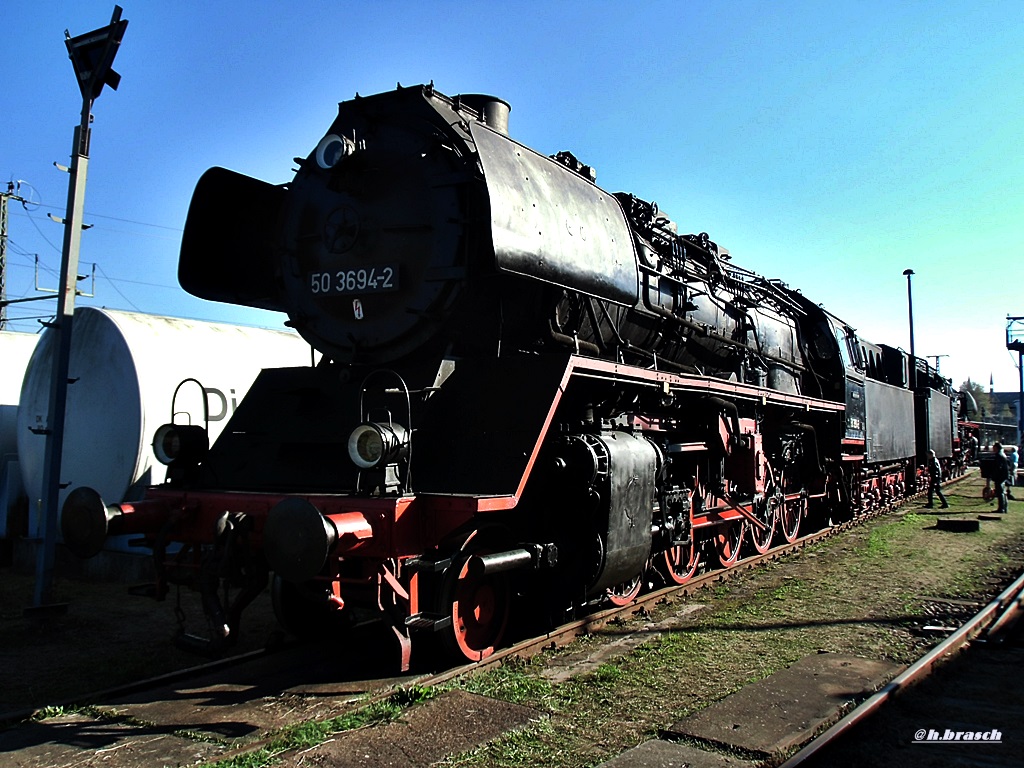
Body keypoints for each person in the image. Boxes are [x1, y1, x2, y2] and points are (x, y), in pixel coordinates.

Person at [991, 442, 1009, 513]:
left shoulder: (999, 455)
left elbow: (998, 467)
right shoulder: (1002, 454)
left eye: (994, 448)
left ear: (996, 448)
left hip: (1000, 476)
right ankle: (1004, 507)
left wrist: (994, 475)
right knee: (1002, 492)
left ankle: (1001, 508)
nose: (993, 449)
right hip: (1003, 475)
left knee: (1000, 492)